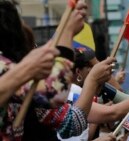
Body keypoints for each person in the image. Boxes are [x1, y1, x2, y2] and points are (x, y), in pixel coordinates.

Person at [0, 1, 116, 140]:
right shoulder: (6, 69)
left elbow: (72, 122)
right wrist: (67, 32)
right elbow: (54, 93)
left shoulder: (25, 90)